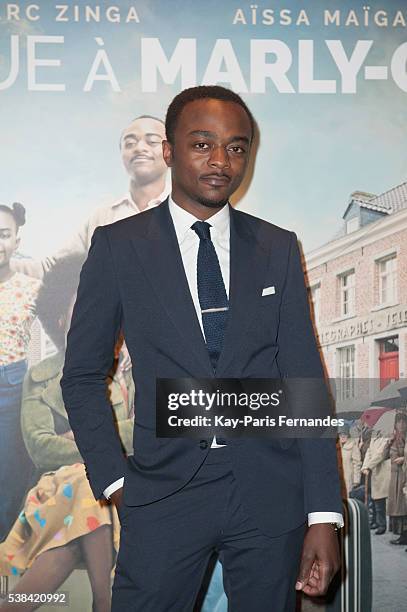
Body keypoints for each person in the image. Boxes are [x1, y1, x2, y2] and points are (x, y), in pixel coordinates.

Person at [61, 85, 343, 611]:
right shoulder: (119, 246)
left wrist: (323, 514)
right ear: (169, 151)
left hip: (269, 494)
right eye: (201, 144)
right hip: (163, 492)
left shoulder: (277, 247)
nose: (220, 161)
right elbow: (80, 376)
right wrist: (118, 481)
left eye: (236, 147)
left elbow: (303, 383)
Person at [0, 255, 133, 612]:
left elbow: (148, 433)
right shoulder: (41, 376)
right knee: (85, 482)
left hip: (125, 493)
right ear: (61, 318)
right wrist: (106, 447)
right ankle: (104, 601)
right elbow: (40, 448)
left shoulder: (130, 371)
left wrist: (87, 438)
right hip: (57, 494)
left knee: (77, 523)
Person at [12, 115, 170, 279]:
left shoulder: (186, 212)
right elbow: (52, 268)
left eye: (152, 141)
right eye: (130, 143)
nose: (139, 148)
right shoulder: (103, 216)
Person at [0, 203, 40, 542]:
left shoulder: (31, 289)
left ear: (16, 239)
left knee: (9, 470)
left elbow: (58, 336)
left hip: (12, 386)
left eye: (4, 234)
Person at [361, 428, 391, 535]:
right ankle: (378, 523)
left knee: (381, 500)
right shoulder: (374, 438)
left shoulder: (386, 437)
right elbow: (369, 452)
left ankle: (382, 525)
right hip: (374, 470)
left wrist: (368, 466)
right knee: (376, 500)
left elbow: (381, 454)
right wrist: (365, 466)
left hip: (383, 471)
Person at [387, 412, 407, 545]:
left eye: (403, 422)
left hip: (403, 475)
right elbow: (385, 455)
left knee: (403, 507)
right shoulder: (394, 438)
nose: (400, 425)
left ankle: (404, 536)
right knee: (397, 507)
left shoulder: (405, 438)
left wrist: (404, 459)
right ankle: (401, 534)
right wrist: (388, 443)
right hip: (394, 476)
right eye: (398, 422)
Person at [338, 423, 362, 497]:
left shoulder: (352, 445)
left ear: (348, 435)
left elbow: (357, 463)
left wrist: (356, 479)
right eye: (340, 434)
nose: (342, 436)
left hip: (348, 479)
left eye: (344, 434)